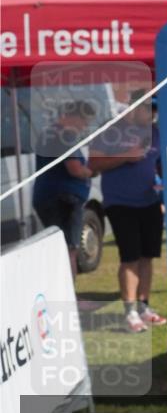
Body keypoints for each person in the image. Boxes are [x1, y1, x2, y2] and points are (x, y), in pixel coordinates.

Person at [89, 95, 167, 332]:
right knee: (130, 257)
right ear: (133, 109)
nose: (152, 114)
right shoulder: (111, 131)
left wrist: (163, 183)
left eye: (154, 109)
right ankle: (130, 312)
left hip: (150, 202)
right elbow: (93, 163)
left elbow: (161, 163)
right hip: (120, 204)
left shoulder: (155, 132)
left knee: (147, 256)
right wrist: (125, 156)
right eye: (148, 109)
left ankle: (144, 307)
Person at [32, 101, 95, 280]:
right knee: (70, 249)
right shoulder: (65, 135)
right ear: (73, 117)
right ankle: (69, 294)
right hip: (64, 200)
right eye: (84, 121)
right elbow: (75, 169)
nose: (85, 126)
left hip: (48, 197)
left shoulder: (48, 133)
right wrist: (92, 171)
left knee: (60, 248)